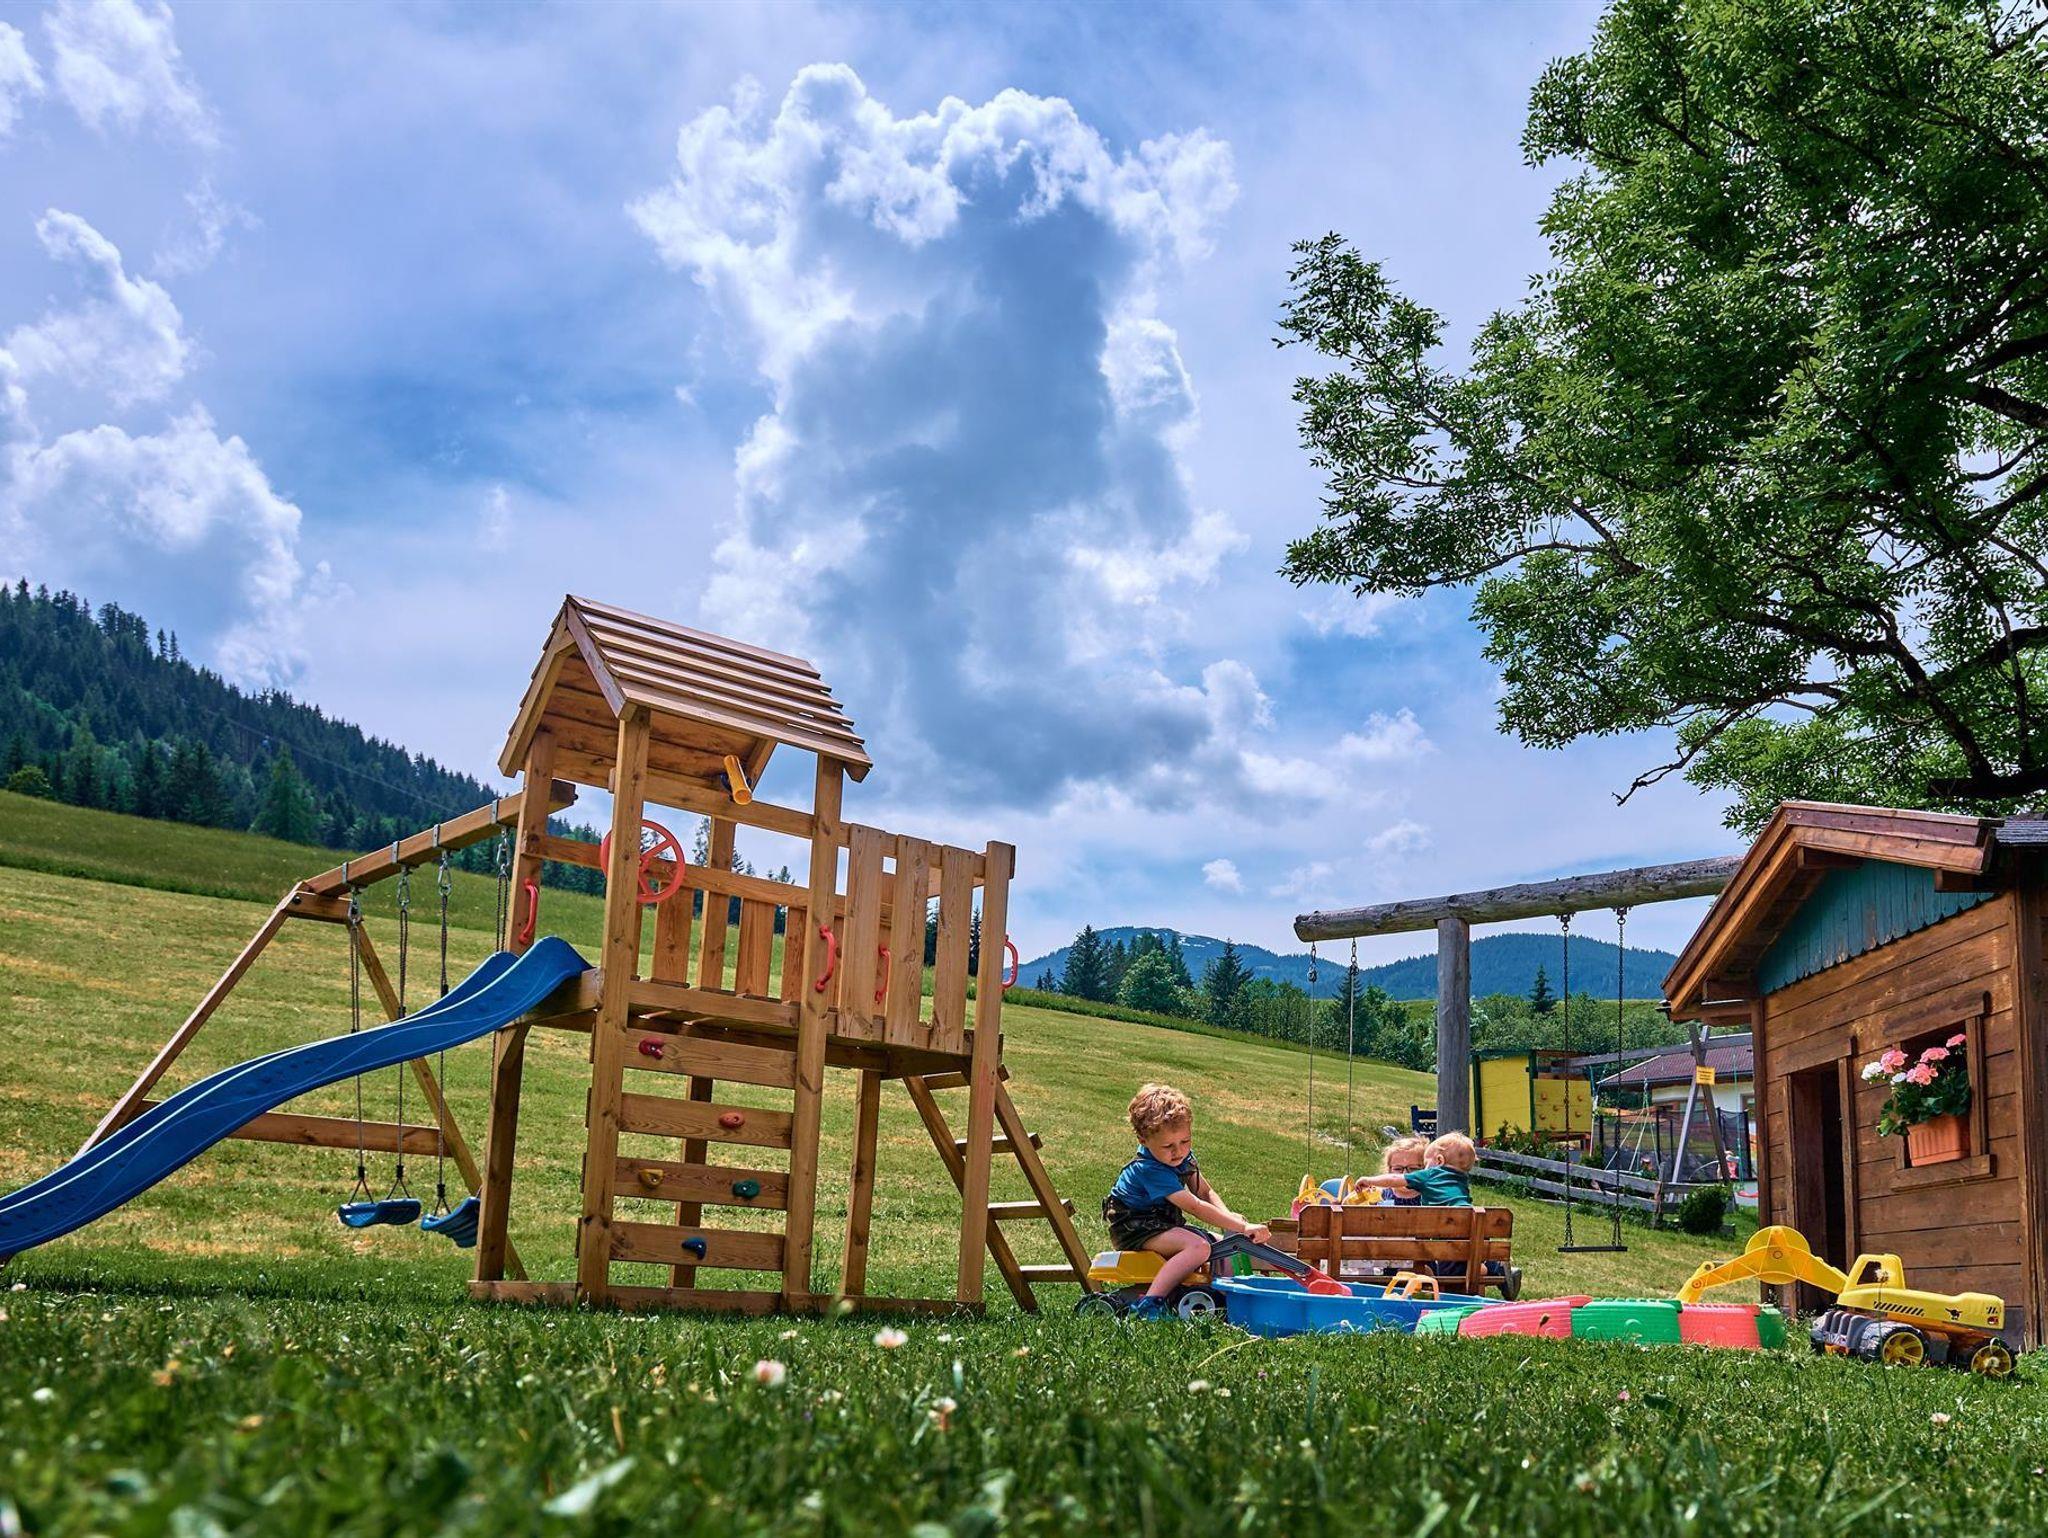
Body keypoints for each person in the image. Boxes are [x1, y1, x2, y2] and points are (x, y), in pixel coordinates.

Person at [1103, 1083, 1269, 1320]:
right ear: (1143, 1140)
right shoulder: (1150, 1169)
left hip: (1161, 1224)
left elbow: (1204, 1191)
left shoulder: (1182, 1158)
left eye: (1185, 1141)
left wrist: (1230, 1219)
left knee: (1223, 1244)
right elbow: (1194, 1206)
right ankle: (1150, 1303)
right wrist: (1242, 1226)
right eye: (1168, 1146)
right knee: (1198, 1247)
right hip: (1135, 1229)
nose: (1178, 1151)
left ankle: (1224, 1295)